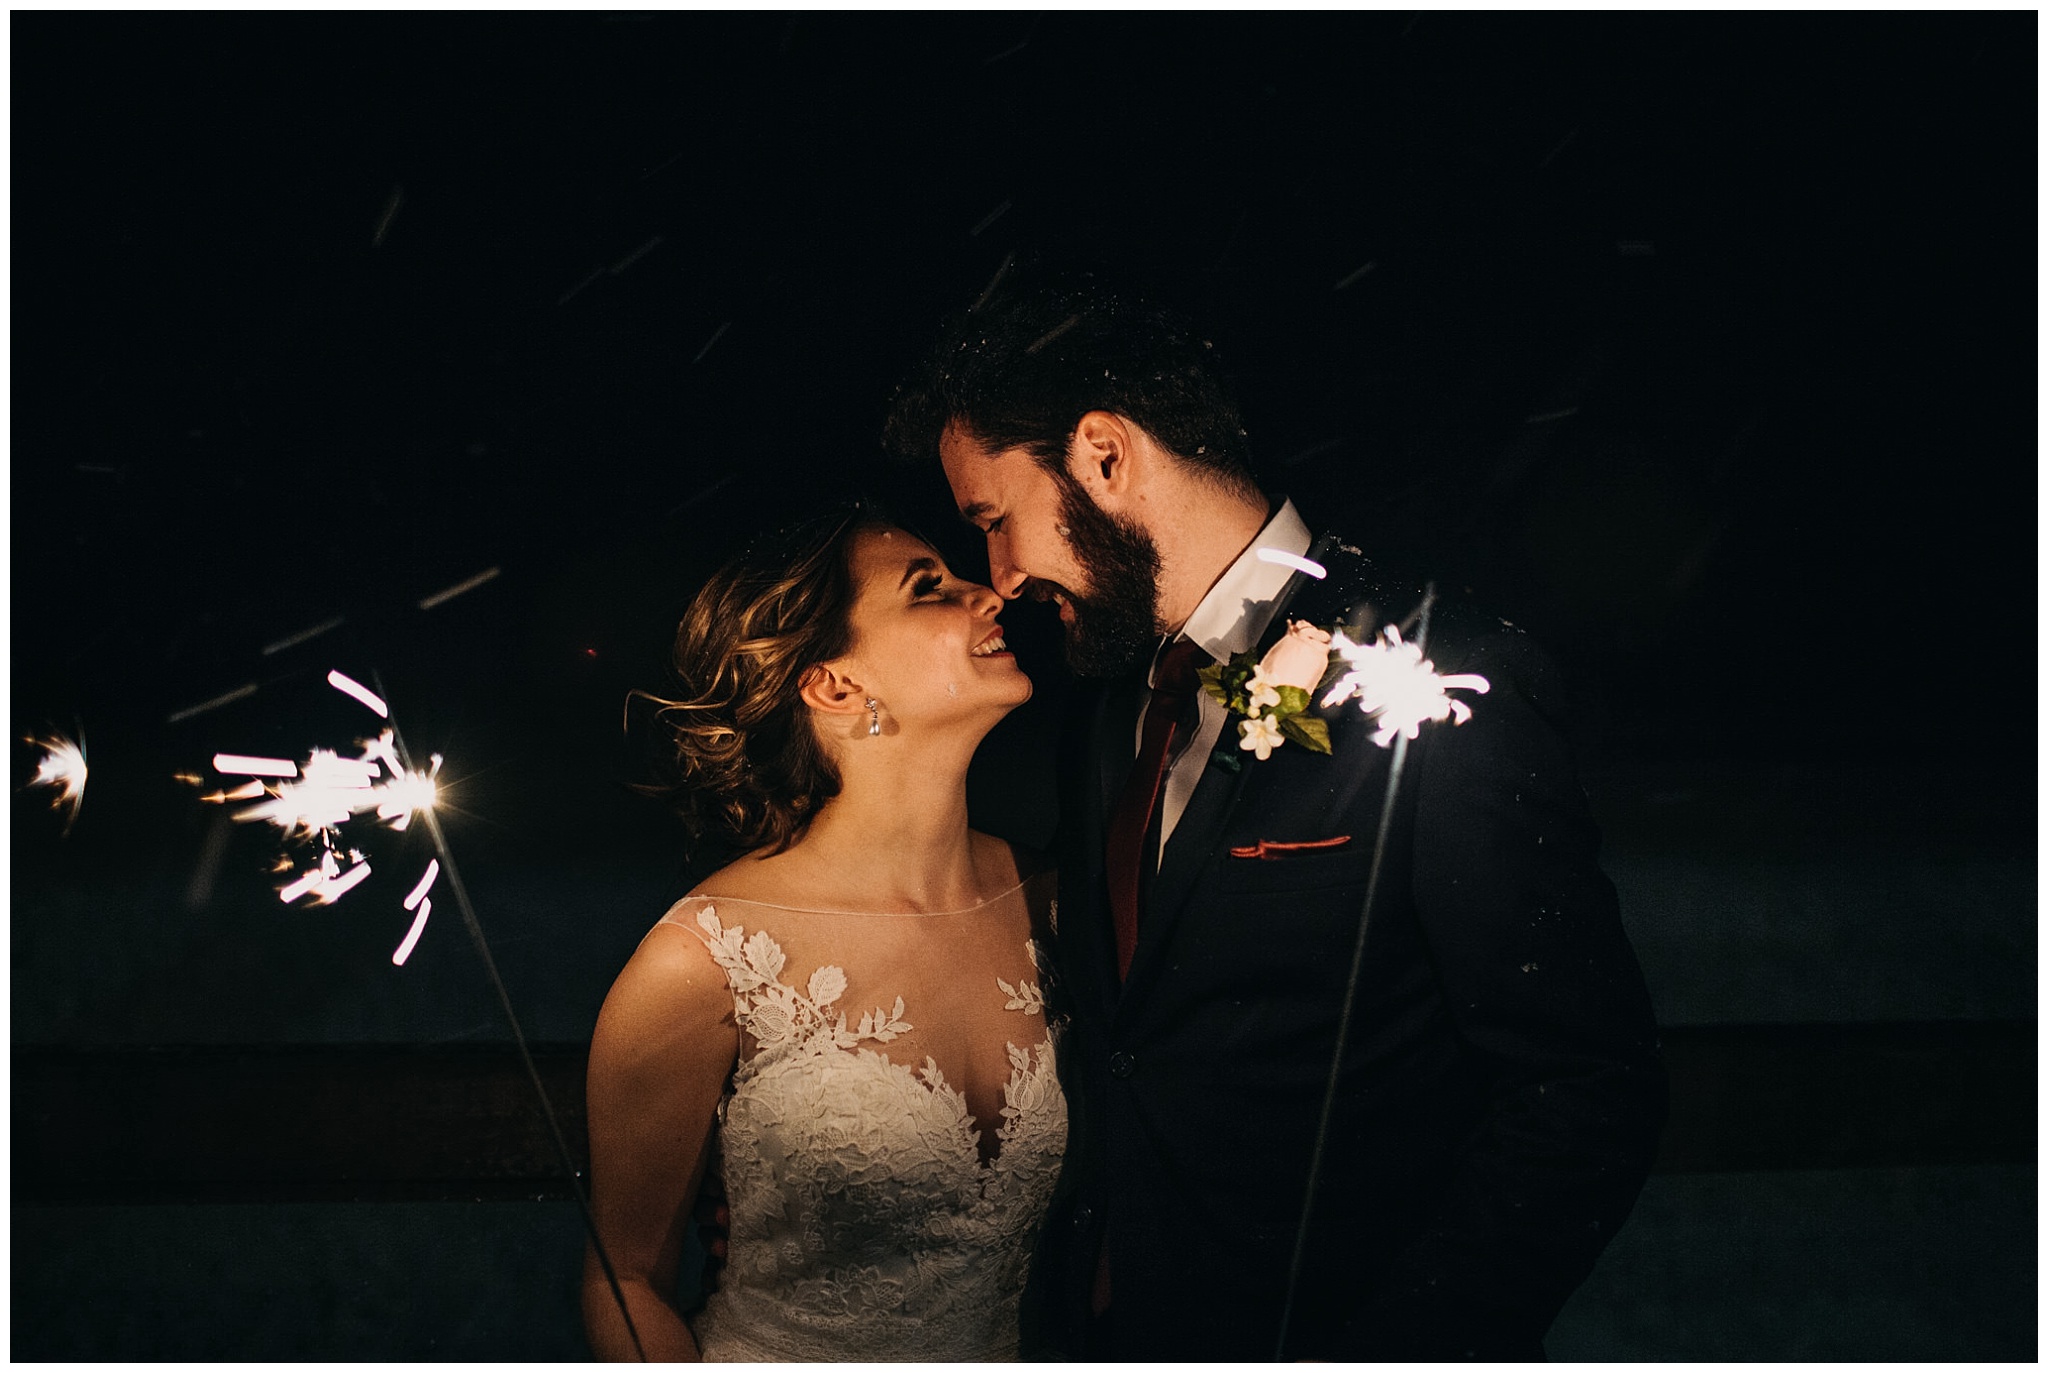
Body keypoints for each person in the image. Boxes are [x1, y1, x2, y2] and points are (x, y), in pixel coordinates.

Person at [883, 269, 1668, 1361]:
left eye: (994, 519)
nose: (999, 575)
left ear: (1103, 455)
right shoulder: (1109, 710)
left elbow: (1583, 1092)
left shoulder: (1433, 679)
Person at [581, 506, 1068, 1361]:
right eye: (932, 591)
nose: (988, 593)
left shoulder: (1056, 905)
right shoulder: (701, 960)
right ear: (836, 687)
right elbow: (624, 1279)